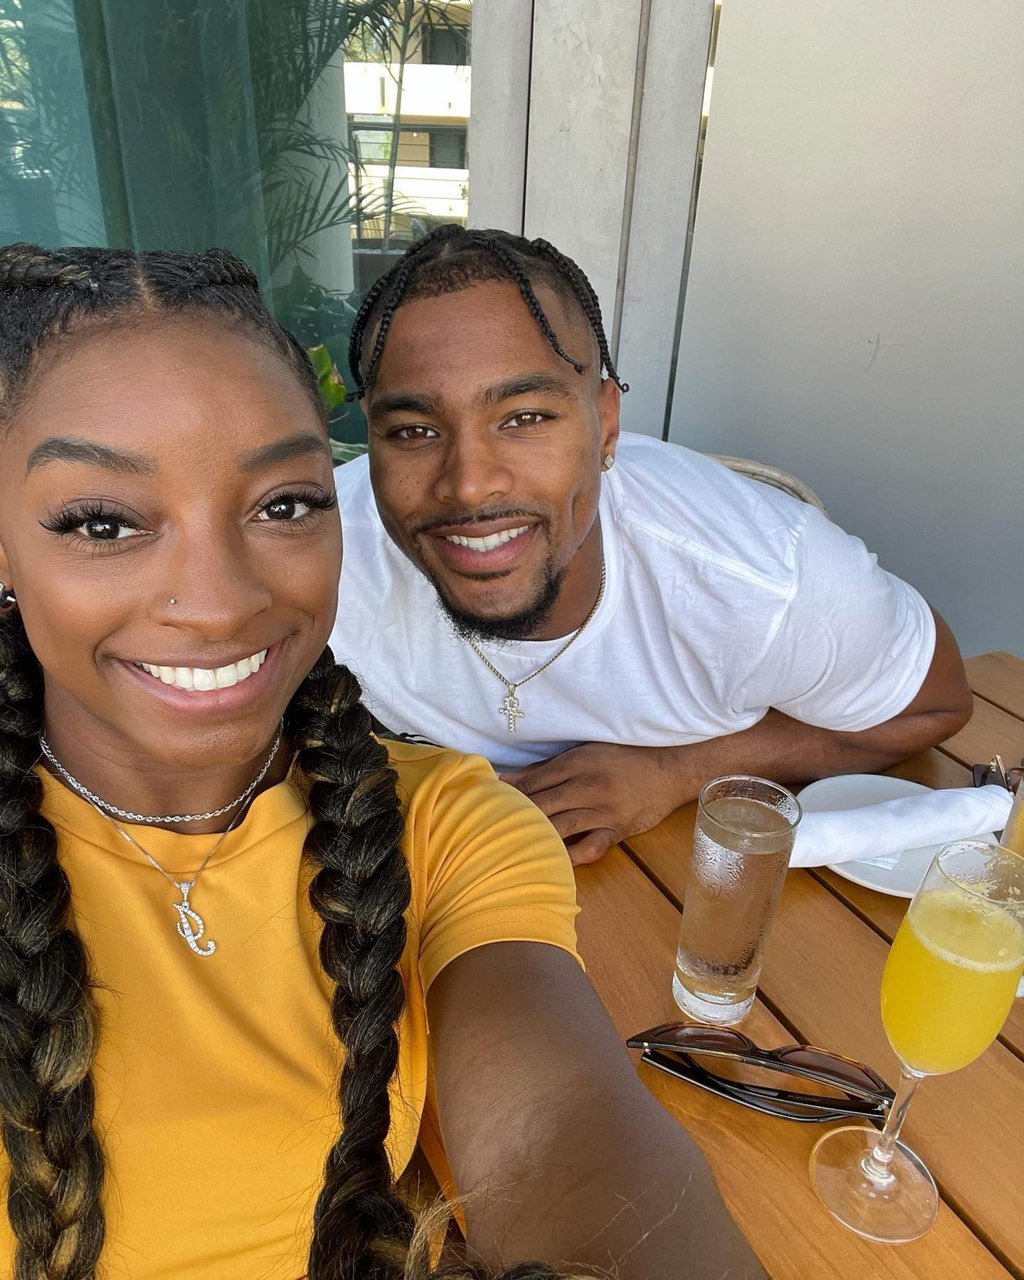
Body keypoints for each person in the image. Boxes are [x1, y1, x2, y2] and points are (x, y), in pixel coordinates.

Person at [0, 243, 765, 1280]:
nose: (221, 598)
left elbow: (561, 1132)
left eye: (282, 504)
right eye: (103, 521)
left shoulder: (447, 824)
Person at [330, 226, 973, 865]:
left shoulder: (763, 576)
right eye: (414, 430)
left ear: (605, 423)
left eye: (525, 418)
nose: (469, 485)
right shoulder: (315, 556)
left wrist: (678, 770)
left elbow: (933, 705)